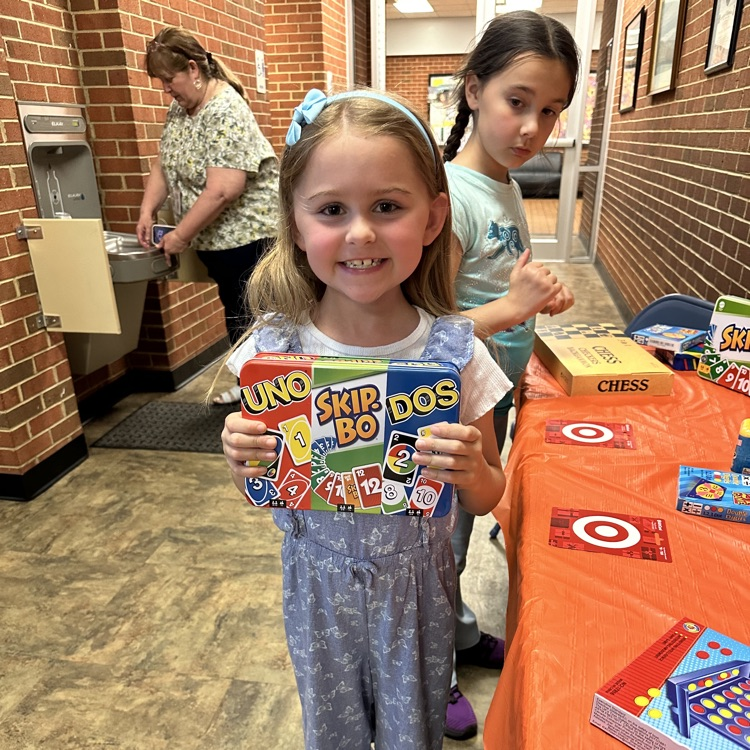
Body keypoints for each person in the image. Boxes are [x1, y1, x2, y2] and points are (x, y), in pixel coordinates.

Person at [220, 87, 513, 750]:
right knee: (332, 735)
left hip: (418, 594)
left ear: (433, 216)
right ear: (295, 223)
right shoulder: (273, 353)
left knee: (413, 734)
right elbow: (263, 488)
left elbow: (493, 492)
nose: (359, 232)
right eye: (331, 209)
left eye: (387, 206)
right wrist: (242, 459)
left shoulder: (456, 354)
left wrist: (471, 470)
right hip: (315, 588)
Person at [440, 11, 580, 741]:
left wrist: (534, 303)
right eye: (516, 101)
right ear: (473, 91)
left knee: (464, 531)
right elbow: (425, 331)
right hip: (453, 406)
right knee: (442, 539)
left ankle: (459, 634)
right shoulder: (449, 195)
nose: (532, 126)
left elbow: (497, 295)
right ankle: (434, 672)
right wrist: (510, 308)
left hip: (494, 397)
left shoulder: (503, 186)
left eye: (550, 111)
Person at [136, 26, 279, 405]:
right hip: (218, 242)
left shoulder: (226, 109)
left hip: (250, 238)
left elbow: (223, 188)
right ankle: (252, 386)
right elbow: (164, 163)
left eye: (170, 79)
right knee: (236, 313)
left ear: (194, 68)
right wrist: (147, 209)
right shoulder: (180, 110)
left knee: (258, 319)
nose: (167, 89)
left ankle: (269, 397)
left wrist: (180, 235)